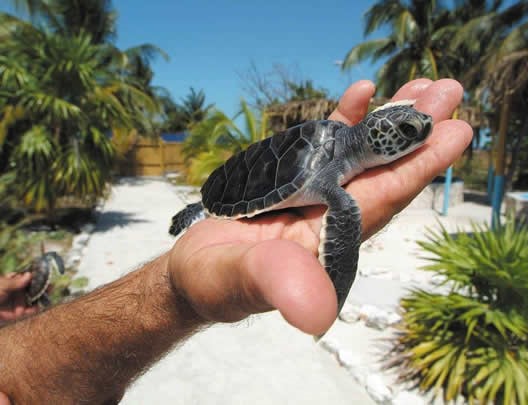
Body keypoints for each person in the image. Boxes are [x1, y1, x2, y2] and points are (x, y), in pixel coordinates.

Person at [0, 78, 472, 404]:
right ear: (378, 138)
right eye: (408, 132)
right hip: (244, 184)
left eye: (411, 130)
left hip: (324, 145)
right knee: (344, 216)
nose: (419, 134)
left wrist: (404, 118)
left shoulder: (344, 136)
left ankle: (198, 209)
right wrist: (337, 277)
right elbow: (326, 204)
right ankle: (200, 209)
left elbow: (385, 123)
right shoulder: (336, 175)